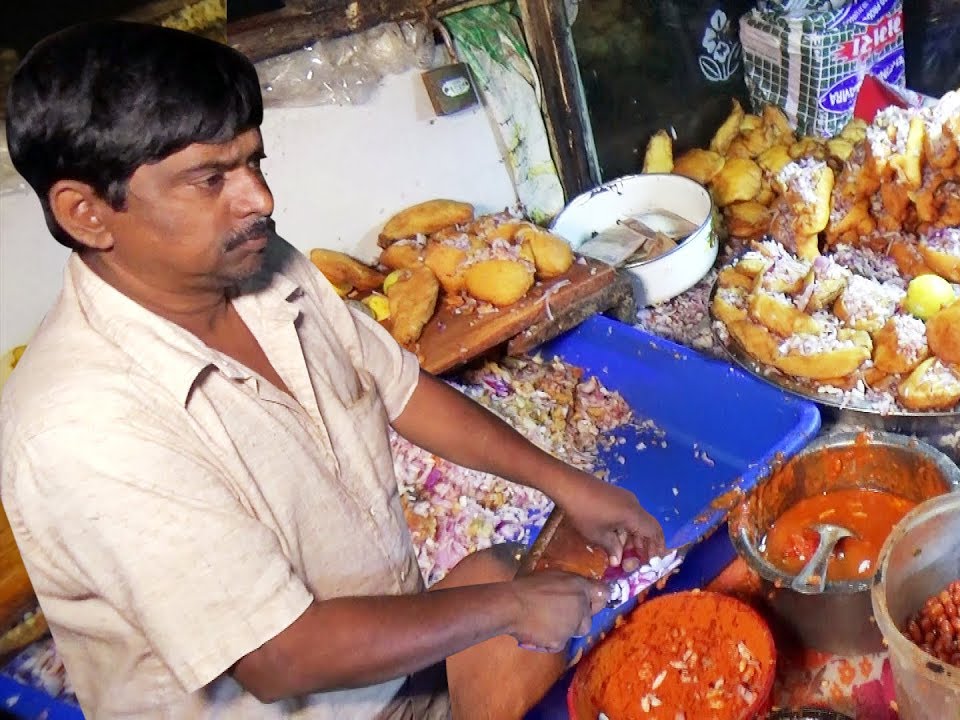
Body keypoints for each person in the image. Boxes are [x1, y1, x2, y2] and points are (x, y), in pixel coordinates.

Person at [0, 20, 665, 720]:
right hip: (304, 692)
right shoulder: (79, 426)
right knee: (515, 598)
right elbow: (280, 657)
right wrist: (510, 607)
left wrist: (567, 485)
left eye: (253, 161)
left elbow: (398, 389)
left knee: (509, 573)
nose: (258, 198)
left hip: (389, 657)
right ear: (87, 213)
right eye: (211, 177)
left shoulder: (260, 265)